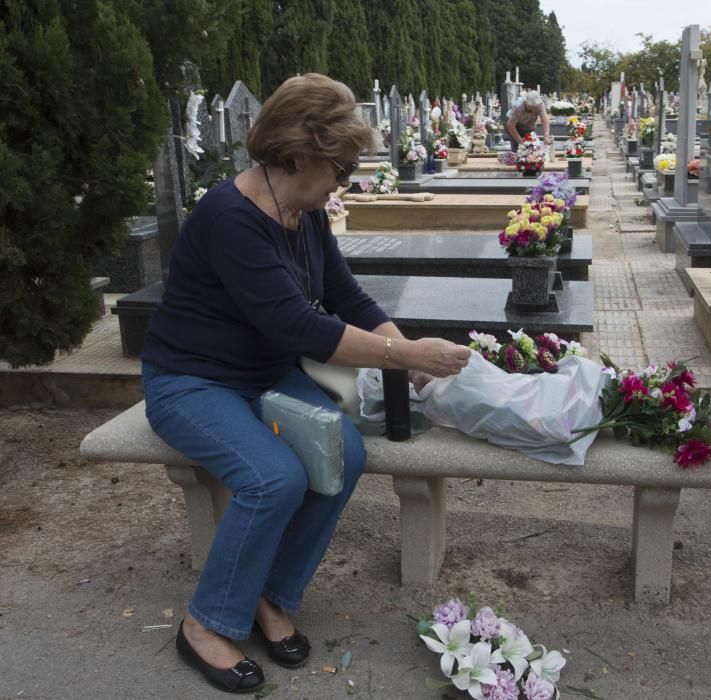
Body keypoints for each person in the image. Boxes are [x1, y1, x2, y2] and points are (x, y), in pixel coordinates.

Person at [141, 73, 470, 694]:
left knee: (342, 456)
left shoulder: (302, 210)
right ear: (299, 156)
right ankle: (205, 623)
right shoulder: (230, 219)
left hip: (265, 377)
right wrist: (405, 356)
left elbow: (345, 296)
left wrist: (412, 357)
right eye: (341, 169)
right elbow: (298, 326)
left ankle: (269, 593)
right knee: (273, 478)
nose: (346, 182)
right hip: (190, 381)